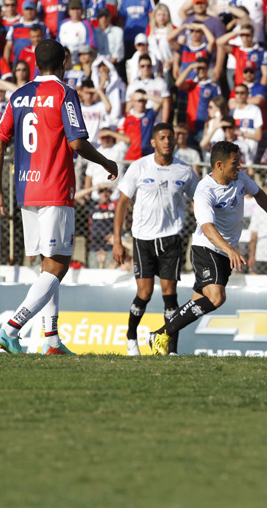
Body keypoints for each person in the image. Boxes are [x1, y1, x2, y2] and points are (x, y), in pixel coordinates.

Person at [0, 39, 119, 355]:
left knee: (48, 264)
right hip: (56, 188)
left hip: (25, 189)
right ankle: (11, 329)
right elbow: (76, 142)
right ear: (64, 60)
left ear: (35, 63)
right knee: (59, 265)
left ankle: (51, 340)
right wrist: (106, 162)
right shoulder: (64, 92)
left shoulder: (18, 95)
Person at [149, 141, 267, 355]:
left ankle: (166, 342)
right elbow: (207, 227)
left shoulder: (240, 177)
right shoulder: (205, 190)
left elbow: (258, 193)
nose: (239, 166)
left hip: (225, 251)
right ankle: (161, 334)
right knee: (216, 297)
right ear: (220, 165)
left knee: (198, 302)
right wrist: (230, 250)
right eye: (234, 163)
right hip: (207, 248)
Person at [113, 122, 199, 356]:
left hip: (171, 238)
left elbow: (200, 201)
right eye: (162, 137)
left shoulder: (185, 170)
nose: (167, 141)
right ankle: (132, 338)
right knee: (145, 293)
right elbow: (121, 203)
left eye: (170, 137)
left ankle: (170, 349)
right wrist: (118, 241)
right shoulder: (139, 167)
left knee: (170, 295)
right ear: (153, 142)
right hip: (143, 239)